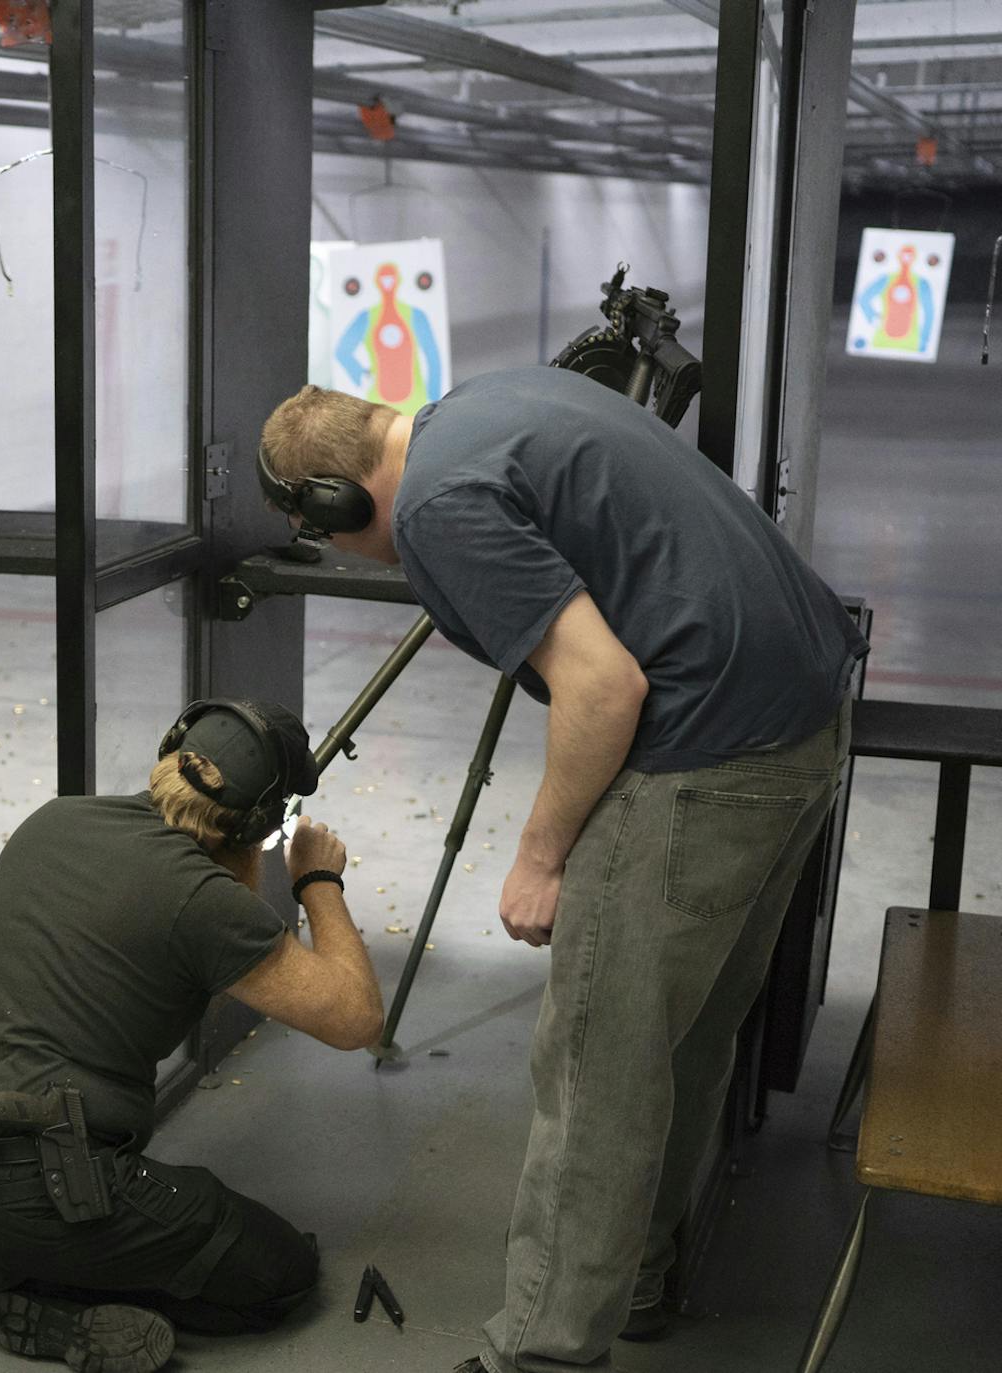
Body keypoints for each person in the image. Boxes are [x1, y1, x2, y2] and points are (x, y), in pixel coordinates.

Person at [259, 367, 866, 1373]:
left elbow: (602, 684)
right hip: (799, 724)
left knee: (595, 1061)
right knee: (681, 1032)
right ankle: (634, 1277)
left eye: (328, 529)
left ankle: (541, 1350)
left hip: (708, 747)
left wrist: (539, 858)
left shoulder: (442, 504)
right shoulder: (494, 405)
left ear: (339, 501)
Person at [0, 699, 384, 1373]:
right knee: (279, 1271)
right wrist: (318, 878)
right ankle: (42, 1293)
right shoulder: (202, 898)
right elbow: (356, 1018)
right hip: (26, 1191)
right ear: (254, 827)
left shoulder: (58, 817)